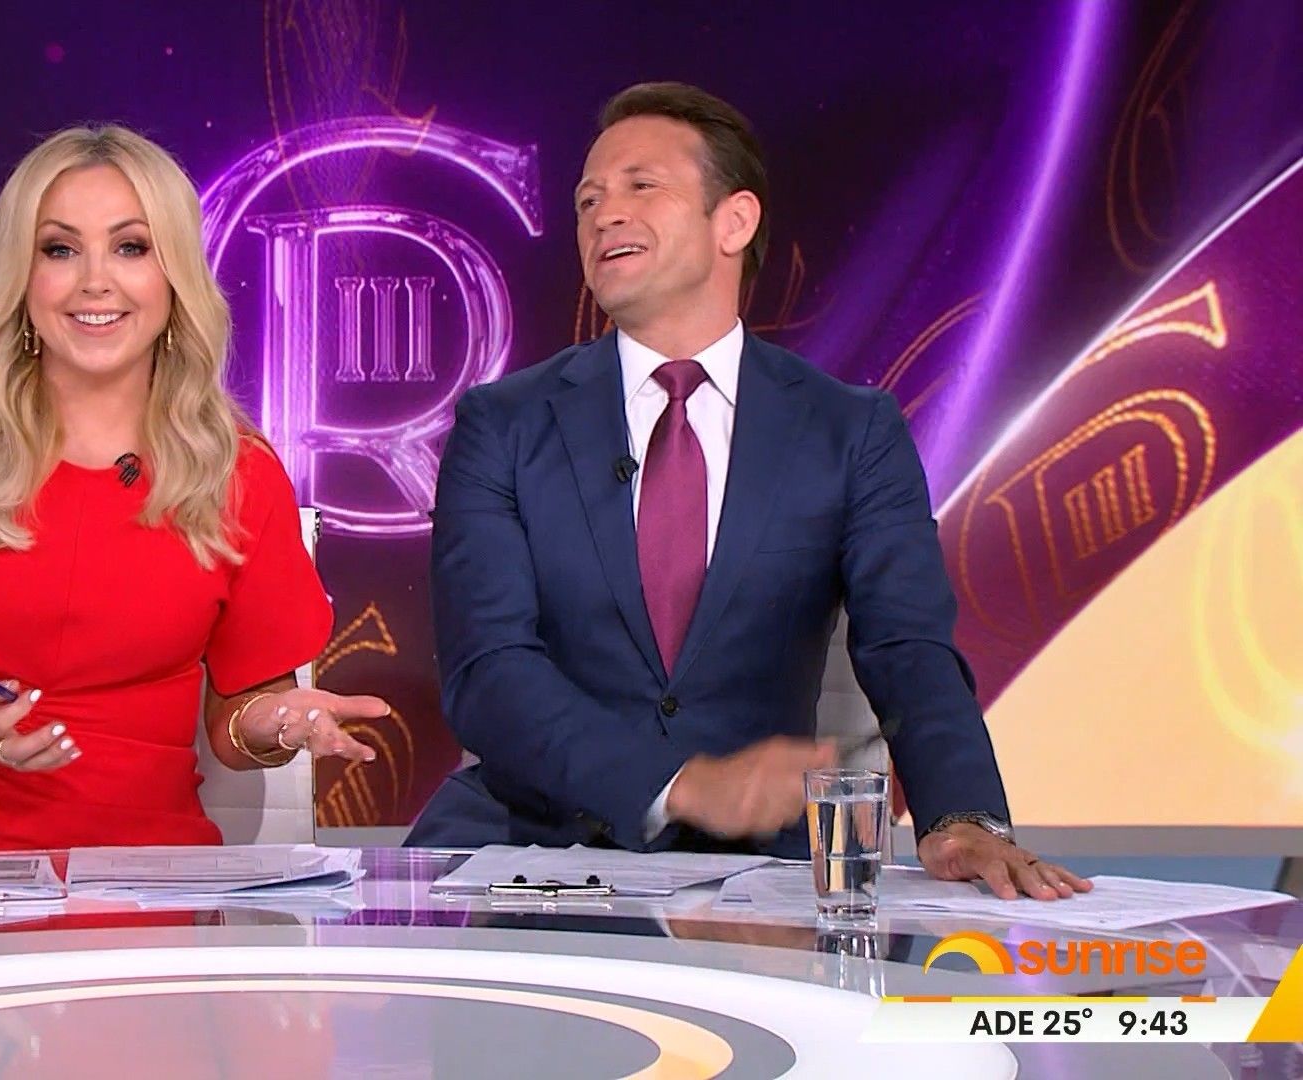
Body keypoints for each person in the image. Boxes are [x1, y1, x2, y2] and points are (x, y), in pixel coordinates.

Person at [409, 83, 1089, 900]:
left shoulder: (850, 430)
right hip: (526, 850)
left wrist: (962, 816)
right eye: (588, 200)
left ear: (734, 221)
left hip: (757, 872)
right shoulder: (502, 423)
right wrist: (678, 784)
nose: (603, 215)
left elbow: (907, 646)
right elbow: (488, 670)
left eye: (640, 186)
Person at [0, 126, 387, 856]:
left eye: (131, 247)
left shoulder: (235, 470)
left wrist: (276, 725)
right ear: (21, 275)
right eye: (60, 249)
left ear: (174, 275)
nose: (95, 281)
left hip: (143, 868)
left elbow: (242, 716)